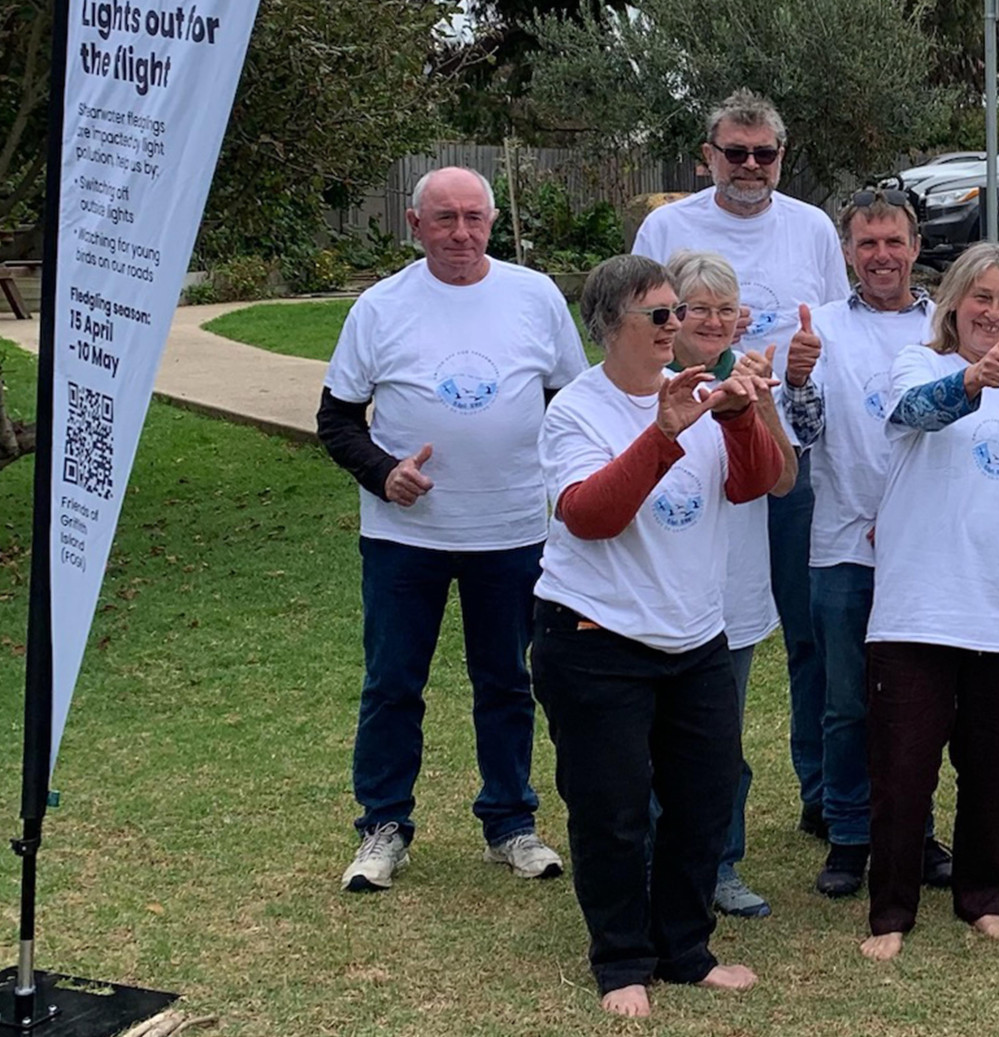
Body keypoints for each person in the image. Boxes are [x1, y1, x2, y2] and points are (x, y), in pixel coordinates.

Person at [317, 166, 585, 892]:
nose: (460, 233)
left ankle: (511, 823)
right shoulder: (380, 307)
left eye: (473, 217)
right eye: (444, 219)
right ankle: (384, 825)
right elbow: (336, 420)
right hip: (407, 536)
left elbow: (571, 404)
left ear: (492, 222)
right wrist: (383, 471)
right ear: (415, 224)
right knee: (393, 682)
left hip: (513, 531)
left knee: (505, 680)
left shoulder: (535, 297)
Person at [530, 254, 783, 1014]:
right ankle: (621, 961)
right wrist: (663, 432)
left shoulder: (703, 393)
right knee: (610, 809)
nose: (679, 326)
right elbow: (590, 515)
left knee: (703, 798)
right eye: (662, 315)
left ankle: (684, 947)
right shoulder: (576, 409)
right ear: (611, 325)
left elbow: (753, 482)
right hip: (595, 636)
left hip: (694, 634)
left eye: (681, 312)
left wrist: (739, 414)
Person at [633, 90, 850, 839]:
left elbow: (834, 332)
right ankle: (681, 816)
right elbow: (645, 329)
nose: (751, 166)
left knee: (808, 631)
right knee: (701, 624)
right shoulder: (668, 225)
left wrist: (802, 367)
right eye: (736, 152)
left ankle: (821, 792)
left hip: (787, 453)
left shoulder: (813, 228)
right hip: (691, 451)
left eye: (765, 154)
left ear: (781, 157)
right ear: (708, 154)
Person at [862, 242, 999, 961]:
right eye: (981, 297)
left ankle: (982, 897)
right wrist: (970, 383)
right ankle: (890, 911)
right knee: (902, 769)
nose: (995, 311)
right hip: (918, 609)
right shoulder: (918, 362)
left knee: (993, 770)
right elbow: (916, 413)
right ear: (953, 302)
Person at [782, 189, 954, 898]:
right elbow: (807, 433)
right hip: (844, 544)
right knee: (848, 700)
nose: (881, 254)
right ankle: (850, 835)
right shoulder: (819, 327)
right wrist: (795, 379)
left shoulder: (949, 323)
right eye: (866, 242)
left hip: (930, 550)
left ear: (915, 246)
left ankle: (913, 830)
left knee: (921, 703)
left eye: (893, 241)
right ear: (848, 251)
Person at [659, 251, 801, 920]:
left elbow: (784, 480)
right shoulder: (648, 381)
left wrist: (760, 403)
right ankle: (656, 866)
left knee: (721, 743)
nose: (712, 321)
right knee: (655, 743)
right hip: (658, 590)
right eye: (697, 309)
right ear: (672, 314)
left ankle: (720, 863)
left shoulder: (748, 375)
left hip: (732, 593)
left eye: (725, 309)